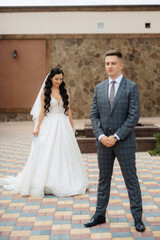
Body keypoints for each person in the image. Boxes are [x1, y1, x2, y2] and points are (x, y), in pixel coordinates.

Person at [0, 68, 88, 197]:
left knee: (65, 150)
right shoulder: (45, 92)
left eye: (61, 79)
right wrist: (37, 128)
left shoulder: (65, 92)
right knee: (47, 150)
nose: (59, 81)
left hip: (63, 124)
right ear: (51, 78)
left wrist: (72, 126)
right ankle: (46, 181)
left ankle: (67, 179)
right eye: (56, 79)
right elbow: (42, 112)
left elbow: (68, 110)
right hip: (50, 124)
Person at [84, 50, 145, 232]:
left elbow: (133, 116)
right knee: (103, 179)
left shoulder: (131, 87)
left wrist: (116, 136)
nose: (109, 66)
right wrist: (101, 136)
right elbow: (94, 115)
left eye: (113, 63)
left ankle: (137, 218)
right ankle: (99, 214)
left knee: (131, 180)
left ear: (121, 65)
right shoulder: (99, 87)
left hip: (124, 142)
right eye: (107, 63)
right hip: (103, 144)